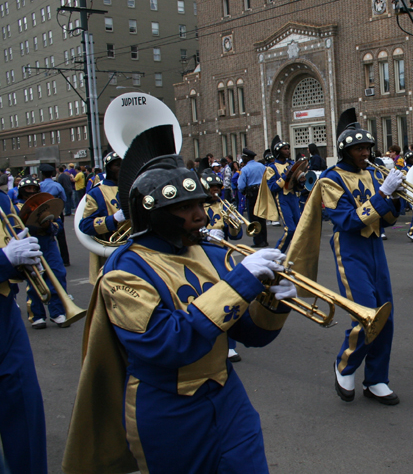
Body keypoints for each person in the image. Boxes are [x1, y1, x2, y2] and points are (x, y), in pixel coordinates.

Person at [62, 126, 297, 474]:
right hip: (169, 410)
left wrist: (273, 304)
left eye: (199, 204)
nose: (200, 215)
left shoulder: (208, 253)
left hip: (227, 395)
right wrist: (239, 284)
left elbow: (252, 334)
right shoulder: (123, 271)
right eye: (184, 208)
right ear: (152, 214)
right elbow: (169, 344)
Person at [311, 109, 402, 405]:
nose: (365, 153)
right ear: (345, 151)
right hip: (350, 248)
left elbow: (386, 221)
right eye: (358, 149)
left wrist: (394, 197)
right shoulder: (330, 179)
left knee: (385, 316)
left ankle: (376, 378)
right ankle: (345, 366)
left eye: (367, 148)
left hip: (375, 247)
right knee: (366, 314)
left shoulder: (374, 173)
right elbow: (347, 220)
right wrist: (381, 195)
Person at [1, 190, 48, 474]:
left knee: (25, 414)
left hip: (5, 315)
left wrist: (24, 260)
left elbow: (11, 247)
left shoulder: (2, 201)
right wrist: (4, 259)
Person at [201, 169, 246, 363]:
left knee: (228, 296)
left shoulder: (222, 205)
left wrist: (233, 223)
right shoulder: (195, 206)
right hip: (200, 255)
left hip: (222, 255)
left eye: (217, 188)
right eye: (211, 188)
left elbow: (236, 236)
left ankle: (230, 345)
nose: (215, 191)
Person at [15, 176, 70, 329]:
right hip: (30, 243)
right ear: (22, 191)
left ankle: (58, 311)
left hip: (48, 242)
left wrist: (49, 225)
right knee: (34, 278)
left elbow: (57, 222)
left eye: (34, 189)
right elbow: (16, 227)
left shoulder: (46, 204)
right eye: (28, 189)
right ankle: (36, 315)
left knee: (58, 274)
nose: (31, 192)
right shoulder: (17, 206)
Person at [78, 152, 124, 283]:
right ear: (109, 168)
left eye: (124, 164)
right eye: (117, 165)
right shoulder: (97, 192)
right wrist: (113, 219)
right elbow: (85, 225)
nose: (122, 168)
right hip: (110, 254)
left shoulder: (136, 188)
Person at [264, 136, 304, 252]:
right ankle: (278, 253)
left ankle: (296, 254)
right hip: (283, 199)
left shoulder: (292, 164)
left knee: (299, 230)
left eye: (288, 148)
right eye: (285, 149)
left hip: (294, 198)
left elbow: (298, 187)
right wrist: (286, 175)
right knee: (290, 229)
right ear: (278, 152)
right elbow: (272, 187)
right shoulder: (271, 168)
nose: (287, 151)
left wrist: (301, 182)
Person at [39, 163, 71, 267]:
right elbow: (64, 199)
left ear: (42, 174)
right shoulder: (57, 185)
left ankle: (47, 259)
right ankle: (65, 260)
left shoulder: (40, 186)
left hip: (44, 212)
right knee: (61, 235)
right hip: (57, 211)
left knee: (45, 235)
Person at [237, 148, 268, 248]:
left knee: (254, 218)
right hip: (262, 192)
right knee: (262, 217)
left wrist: (243, 191)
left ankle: (258, 241)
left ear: (246, 157)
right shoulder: (262, 166)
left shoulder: (245, 169)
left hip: (252, 194)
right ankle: (264, 239)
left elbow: (241, 185)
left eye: (243, 157)